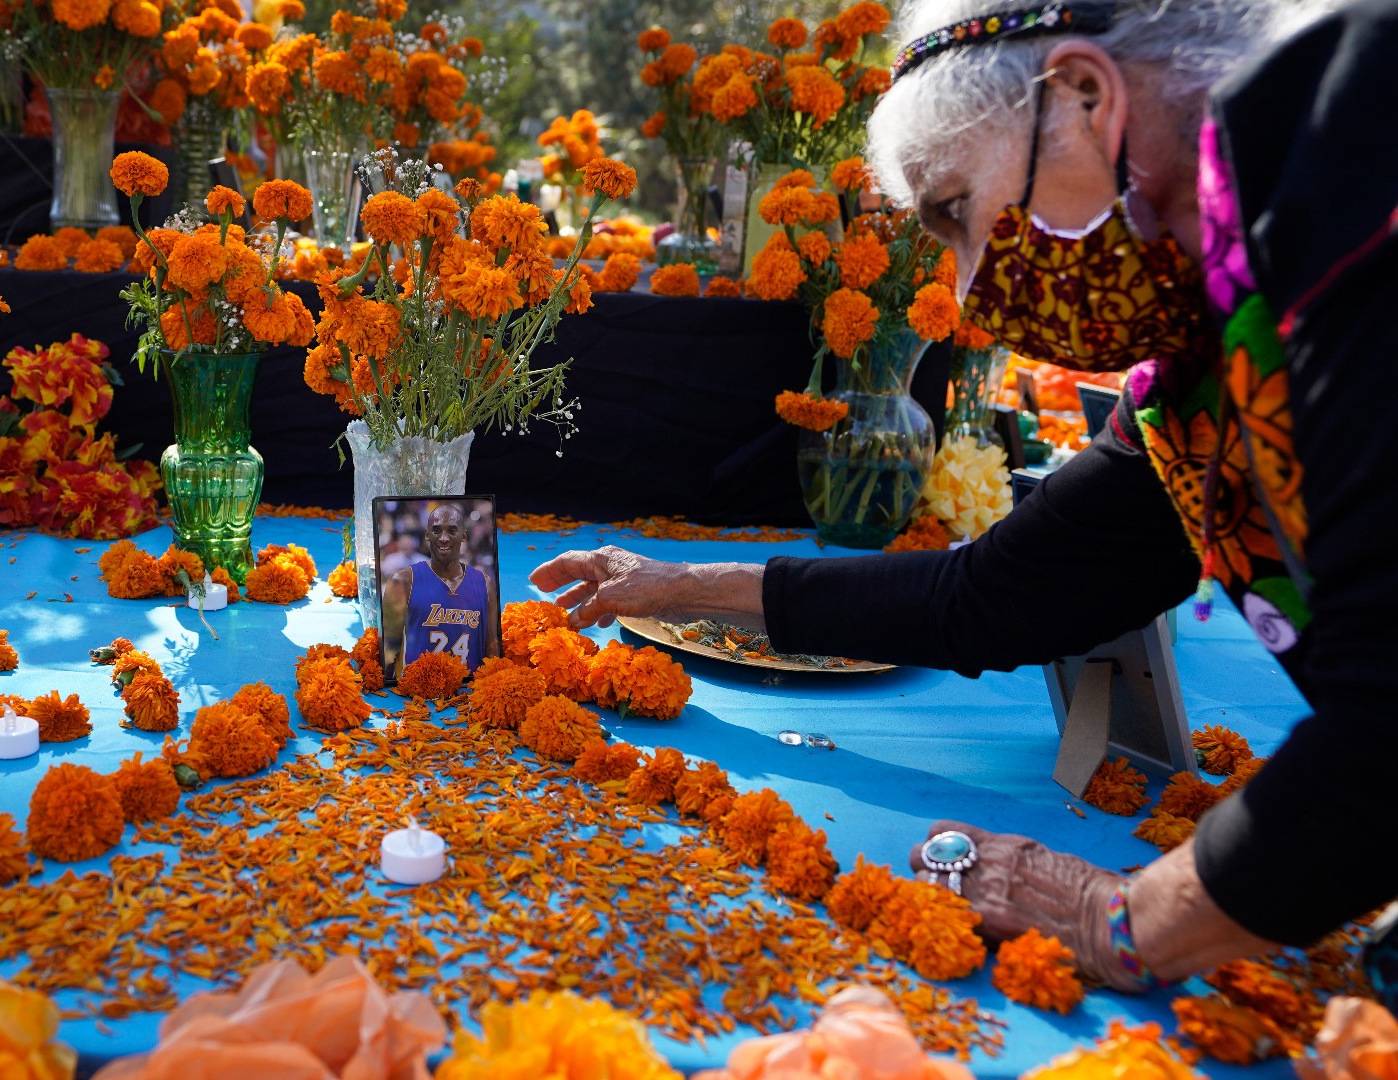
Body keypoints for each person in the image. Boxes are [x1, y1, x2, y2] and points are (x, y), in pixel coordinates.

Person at [533, 0, 1398, 995]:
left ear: (1083, 97)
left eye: (955, 211)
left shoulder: (1358, 178)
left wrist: (1118, 920)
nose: (971, 290)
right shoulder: (1207, 367)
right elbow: (996, 594)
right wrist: (669, 586)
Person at [382, 502, 500, 678]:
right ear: (427, 535)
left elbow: (493, 648)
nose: (444, 538)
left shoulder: (485, 584)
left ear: (463, 535)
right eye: (437, 530)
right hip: (416, 692)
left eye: (452, 530)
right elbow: (388, 646)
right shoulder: (404, 581)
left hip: (468, 693)